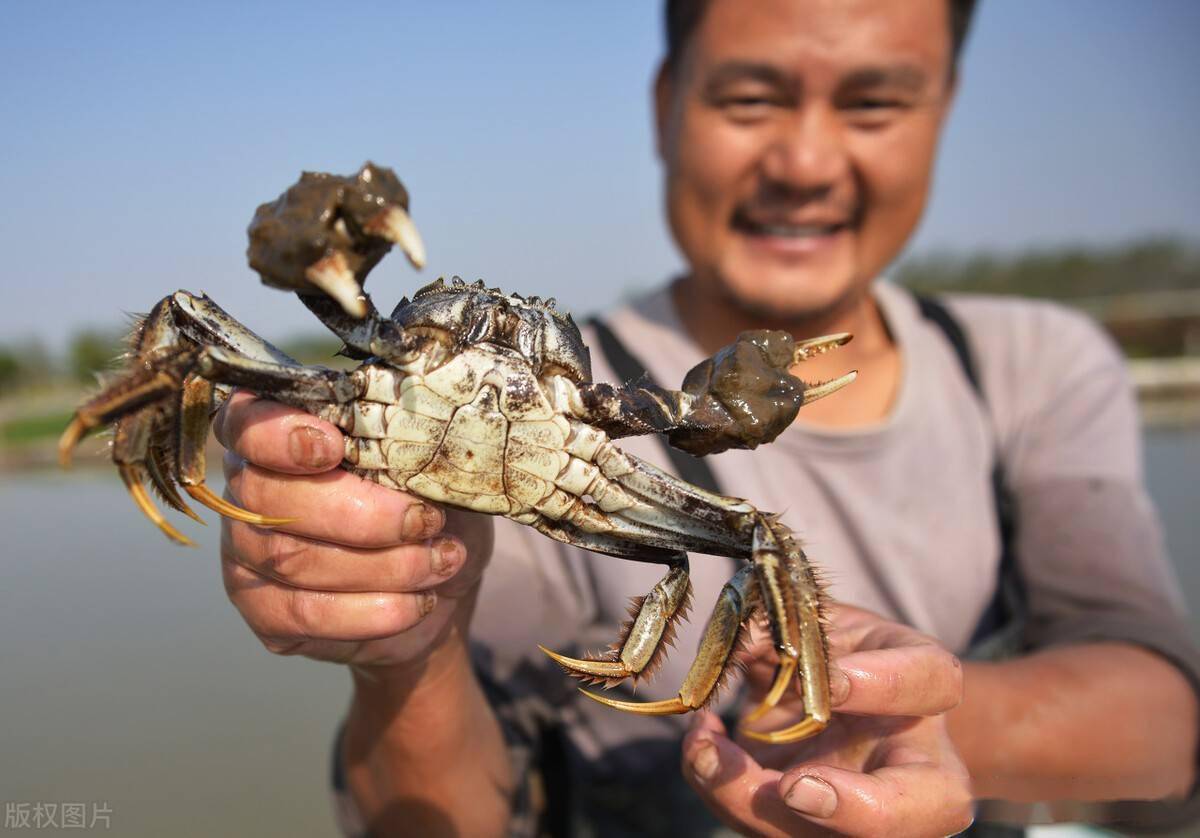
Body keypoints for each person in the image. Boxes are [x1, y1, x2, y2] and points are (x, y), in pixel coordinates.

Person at [213, 1, 1200, 835]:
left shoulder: (1033, 365)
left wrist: (869, 714)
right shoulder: (553, 448)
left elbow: (1164, 709)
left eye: (873, 101)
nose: (806, 161)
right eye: (751, 97)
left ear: (944, 110)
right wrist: (408, 651)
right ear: (663, 105)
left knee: (741, 543)